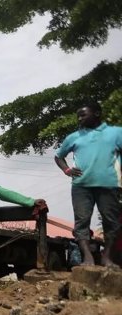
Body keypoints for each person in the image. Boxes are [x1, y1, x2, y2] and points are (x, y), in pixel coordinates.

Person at [54, 102, 122, 267]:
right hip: (81, 186)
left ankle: (107, 257)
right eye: (78, 115)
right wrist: (67, 170)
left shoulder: (116, 133)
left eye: (83, 114)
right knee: (82, 221)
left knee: (111, 222)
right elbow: (58, 156)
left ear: (97, 113)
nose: (80, 118)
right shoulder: (74, 137)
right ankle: (87, 257)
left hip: (109, 184)